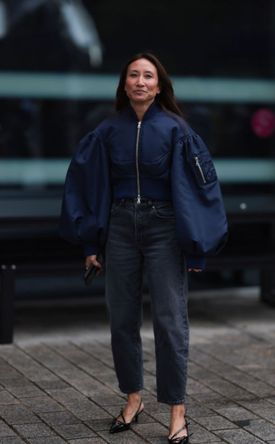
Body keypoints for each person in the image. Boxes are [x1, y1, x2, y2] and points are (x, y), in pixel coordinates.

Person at [60, 52, 227, 444]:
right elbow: (87, 186)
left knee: (170, 323)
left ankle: (177, 411)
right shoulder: (106, 131)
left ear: (159, 85)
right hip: (119, 227)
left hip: (163, 229)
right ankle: (133, 398)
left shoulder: (177, 130)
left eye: (147, 75)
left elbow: (199, 191)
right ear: (123, 84)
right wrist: (90, 241)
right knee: (121, 319)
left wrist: (197, 247)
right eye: (133, 75)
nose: (139, 81)